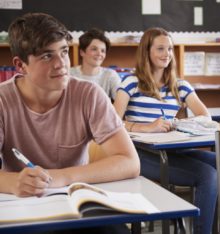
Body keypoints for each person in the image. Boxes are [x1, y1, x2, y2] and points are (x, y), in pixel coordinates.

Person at [0, 13, 140, 233]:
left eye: (64, 52)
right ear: (20, 65)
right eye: (47, 56)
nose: (61, 64)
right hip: (23, 209)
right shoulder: (2, 100)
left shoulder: (88, 94)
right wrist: (14, 182)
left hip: (76, 206)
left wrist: (62, 176)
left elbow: (130, 162)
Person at [113, 27, 217, 234]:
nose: (167, 54)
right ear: (147, 52)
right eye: (160, 48)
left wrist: (179, 124)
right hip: (139, 153)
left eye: (169, 49)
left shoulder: (180, 85)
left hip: (173, 150)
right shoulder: (131, 83)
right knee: (208, 175)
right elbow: (112, 122)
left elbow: (205, 117)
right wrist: (147, 127)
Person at [70, 28, 120, 100]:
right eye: (94, 49)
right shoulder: (69, 75)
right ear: (82, 52)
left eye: (103, 51)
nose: (99, 54)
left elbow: (121, 103)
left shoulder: (110, 75)